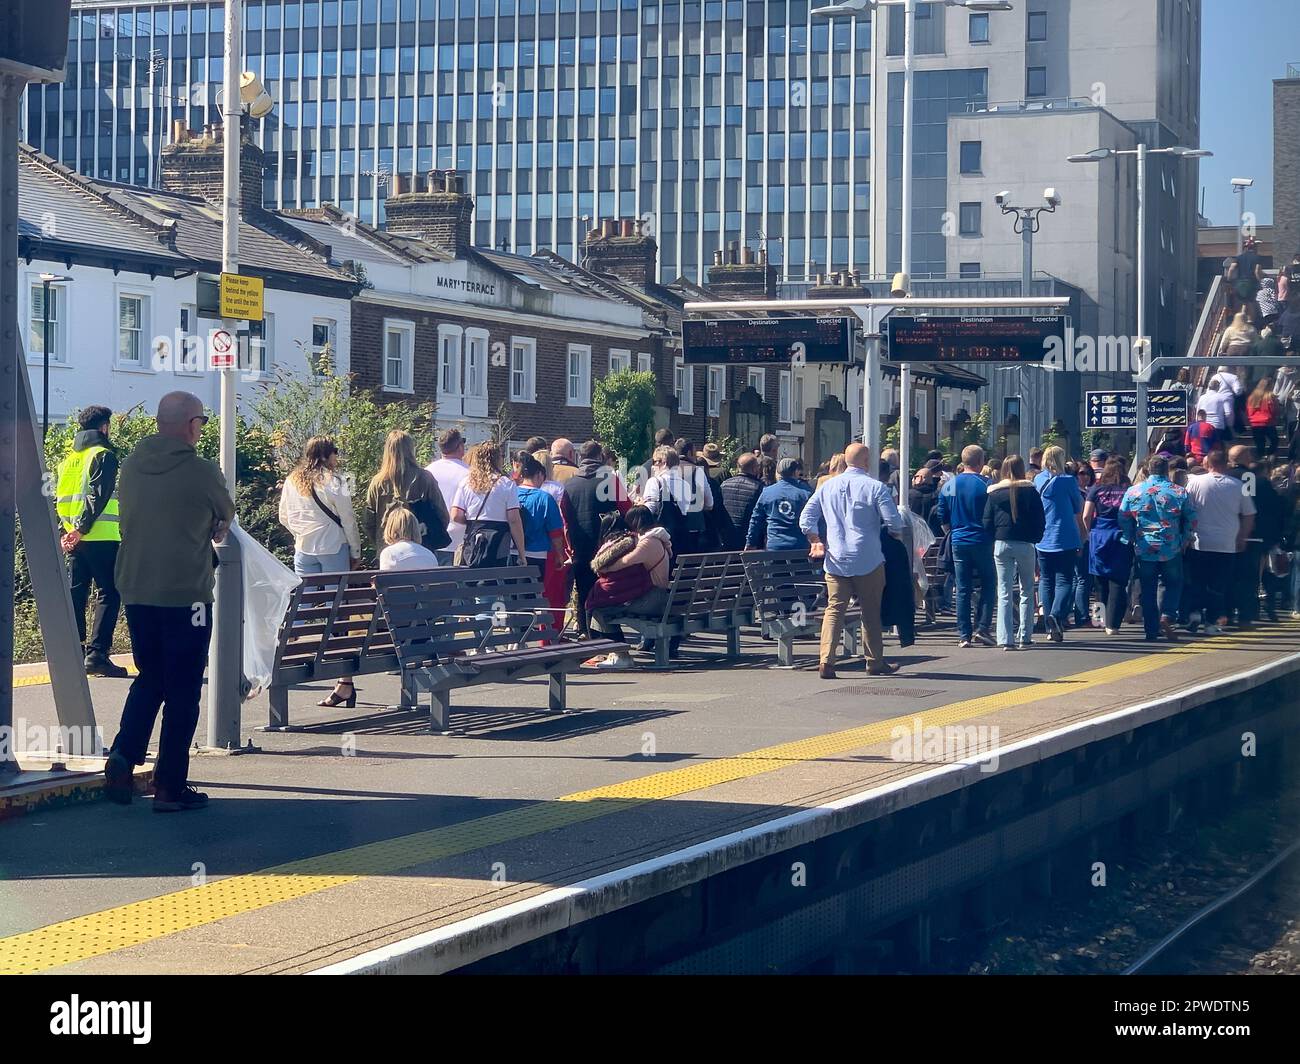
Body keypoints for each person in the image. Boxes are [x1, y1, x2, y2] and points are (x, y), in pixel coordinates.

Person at [103, 392, 234, 812]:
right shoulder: (201, 470)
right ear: (192, 425)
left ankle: (123, 755)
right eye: (201, 422)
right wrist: (212, 524)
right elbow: (224, 515)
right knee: (183, 690)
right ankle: (169, 787)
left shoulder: (131, 466)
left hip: (138, 591)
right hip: (187, 597)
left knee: (151, 676)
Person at [799, 442, 905, 680]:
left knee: (834, 609)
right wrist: (892, 536)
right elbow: (895, 523)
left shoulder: (827, 487)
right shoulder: (876, 487)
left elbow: (806, 518)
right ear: (867, 462)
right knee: (870, 611)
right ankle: (874, 661)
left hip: (836, 558)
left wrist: (816, 539)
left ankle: (826, 660)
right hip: (868, 557)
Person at [279, 436, 364, 708]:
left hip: (304, 547)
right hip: (332, 546)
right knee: (335, 611)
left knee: (301, 608)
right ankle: (342, 676)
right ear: (328, 455)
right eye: (336, 453)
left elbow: (283, 516)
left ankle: (286, 655)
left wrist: (301, 534)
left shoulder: (292, 480)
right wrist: (356, 552)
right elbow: (348, 520)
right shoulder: (335, 481)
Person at [55, 405, 128, 678]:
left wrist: (68, 532)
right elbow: (98, 495)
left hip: (74, 538)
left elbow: (60, 501)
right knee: (109, 592)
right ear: (103, 428)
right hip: (99, 536)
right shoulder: (104, 455)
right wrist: (83, 528)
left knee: (77, 593)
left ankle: (74, 652)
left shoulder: (68, 461)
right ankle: (97, 655)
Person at [587, 505, 674, 670]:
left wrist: (605, 567)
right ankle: (616, 653)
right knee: (604, 606)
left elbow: (627, 561)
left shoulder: (648, 542)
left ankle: (621, 654)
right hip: (659, 595)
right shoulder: (657, 539)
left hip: (652, 598)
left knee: (601, 611)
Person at [1119, 454, 1195, 642]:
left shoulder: (1134, 491)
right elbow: (1191, 517)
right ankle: (1167, 614)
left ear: (1148, 470)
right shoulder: (1178, 491)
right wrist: (1186, 538)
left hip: (1144, 545)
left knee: (1148, 588)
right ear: (1166, 470)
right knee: (1174, 583)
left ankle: (1151, 629)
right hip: (1171, 546)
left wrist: (1129, 536)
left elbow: (1123, 516)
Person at [562, 439, 629, 636]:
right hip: (607, 544)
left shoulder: (569, 484)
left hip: (579, 543)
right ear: (600, 457)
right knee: (606, 588)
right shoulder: (609, 479)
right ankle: (607, 633)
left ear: (580, 458)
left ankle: (584, 629)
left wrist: (570, 545)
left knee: (583, 588)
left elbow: (565, 517)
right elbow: (626, 508)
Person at [1184, 448, 1254, 634]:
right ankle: (1211, 623)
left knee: (1197, 580)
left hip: (1199, 541)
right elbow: (1249, 514)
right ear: (1227, 464)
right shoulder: (1238, 485)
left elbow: (1186, 511)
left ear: (1208, 464)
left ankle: (1194, 614)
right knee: (1217, 585)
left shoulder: (1195, 483)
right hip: (1226, 544)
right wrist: (1242, 537)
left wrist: (1187, 535)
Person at [982, 455, 1045, 651]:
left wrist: (995, 537)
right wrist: (1036, 538)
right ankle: (1024, 636)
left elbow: (986, 521)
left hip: (1001, 542)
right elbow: (1040, 519)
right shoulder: (1031, 492)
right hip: (1025, 543)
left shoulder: (994, 493)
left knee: (1004, 591)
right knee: (1027, 589)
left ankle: (1004, 638)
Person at [936, 444, 995, 648]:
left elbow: (942, 514)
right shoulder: (987, 484)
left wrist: (950, 533)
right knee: (988, 583)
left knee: (962, 588)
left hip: (958, 539)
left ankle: (964, 634)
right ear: (980, 462)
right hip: (982, 539)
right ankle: (983, 627)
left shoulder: (949, 485)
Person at [366, 430, 450, 561]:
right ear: (411, 449)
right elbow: (442, 514)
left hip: (387, 549)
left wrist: (380, 540)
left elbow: (368, 521)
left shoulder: (377, 482)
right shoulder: (424, 478)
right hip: (421, 548)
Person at [1034, 446, 1086, 643]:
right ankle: (1056, 615)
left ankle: (1050, 628)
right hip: (1066, 535)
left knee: (1046, 581)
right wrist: (1083, 535)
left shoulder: (1038, 480)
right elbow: (1077, 508)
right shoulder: (1068, 481)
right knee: (1065, 579)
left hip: (1043, 537)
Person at [1227, 444, 1283, 628]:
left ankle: (1225, 614)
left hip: (1224, 536)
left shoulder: (1225, 477)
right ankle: (1245, 615)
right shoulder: (1257, 481)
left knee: (1227, 576)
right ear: (1246, 457)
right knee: (1248, 578)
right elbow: (1273, 509)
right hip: (1253, 536)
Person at [449, 440, 527, 567]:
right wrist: (521, 554)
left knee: (471, 580)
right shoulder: (506, 484)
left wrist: (472, 522)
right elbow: (513, 519)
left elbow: (455, 515)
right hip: (499, 539)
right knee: (495, 580)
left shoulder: (466, 482)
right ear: (497, 459)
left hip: (473, 536)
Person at [516, 454, 567, 631]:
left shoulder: (512, 493)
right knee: (532, 597)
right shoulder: (545, 498)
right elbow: (555, 533)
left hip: (512, 552)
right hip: (537, 554)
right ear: (539, 475)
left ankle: (515, 635)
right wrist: (560, 555)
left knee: (514, 598)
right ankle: (525, 638)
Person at [1084, 457, 1133, 635]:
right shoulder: (1128, 490)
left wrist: (1089, 532)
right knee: (1118, 581)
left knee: (1099, 580)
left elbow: (1086, 514)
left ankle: (1098, 620)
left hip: (1099, 534)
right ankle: (1112, 624)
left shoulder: (1096, 489)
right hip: (1120, 535)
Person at [747, 457, 813, 551]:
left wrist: (751, 543)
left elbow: (756, 520)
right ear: (796, 472)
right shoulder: (806, 493)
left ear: (778, 473)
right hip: (800, 547)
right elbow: (815, 518)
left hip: (775, 547)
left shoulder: (767, 492)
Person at [426, 428, 470, 566]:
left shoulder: (428, 471)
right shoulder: (469, 474)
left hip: (431, 539)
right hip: (459, 541)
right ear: (460, 446)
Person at [722, 452, 766, 544]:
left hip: (727, 536)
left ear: (738, 467)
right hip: (749, 537)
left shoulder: (724, 484)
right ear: (754, 469)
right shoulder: (759, 487)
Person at [378, 507, 440, 571]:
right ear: (415, 528)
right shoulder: (429, 555)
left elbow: (386, 580)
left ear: (390, 528)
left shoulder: (389, 554)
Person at [1247, 377, 1281, 458]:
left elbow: (1249, 410)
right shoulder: (1270, 396)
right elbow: (1274, 409)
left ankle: (1260, 459)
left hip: (1255, 423)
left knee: (1260, 444)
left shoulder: (1252, 396)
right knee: (1274, 440)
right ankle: (1269, 455)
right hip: (1268, 422)